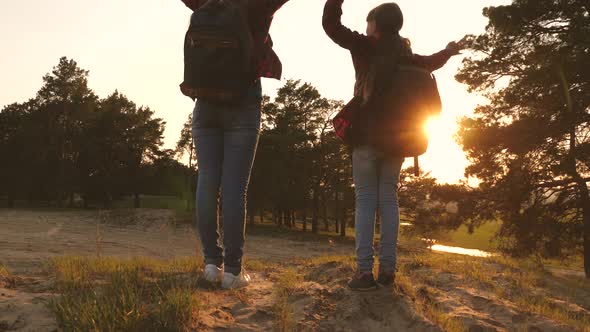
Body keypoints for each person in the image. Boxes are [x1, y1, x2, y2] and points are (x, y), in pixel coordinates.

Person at [323, 0, 463, 291]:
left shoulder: (366, 47)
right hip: (399, 141)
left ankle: (364, 273)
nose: (366, 28)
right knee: (388, 200)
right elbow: (432, 62)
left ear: (375, 27)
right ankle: (387, 270)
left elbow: (331, 27)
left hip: (366, 138)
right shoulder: (407, 55)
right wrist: (450, 50)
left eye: (368, 23)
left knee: (365, 200)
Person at [180, 0, 289, 289]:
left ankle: (211, 266)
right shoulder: (256, 5)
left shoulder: (207, 2)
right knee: (234, 189)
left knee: (207, 182)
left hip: (205, 101)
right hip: (243, 100)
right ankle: (233, 272)